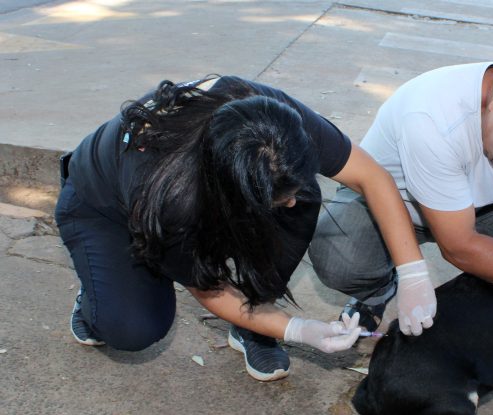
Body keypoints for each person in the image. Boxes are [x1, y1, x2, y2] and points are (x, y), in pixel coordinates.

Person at [55, 75, 437, 382]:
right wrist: (298, 329)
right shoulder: (171, 197)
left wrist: (412, 272)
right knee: (133, 328)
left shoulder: (273, 122)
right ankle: (102, 288)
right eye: (277, 199)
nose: (289, 204)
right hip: (102, 206)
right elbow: (210, 290)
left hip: (198, 194)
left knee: (301, 200)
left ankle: (254, 323)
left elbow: (372, 177)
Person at [308, 59, 493, 391]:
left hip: (487, 207)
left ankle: (490, 347)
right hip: (398, 205)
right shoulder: (433, 118)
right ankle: (378, 291)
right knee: (341, 256)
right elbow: (459, 246)